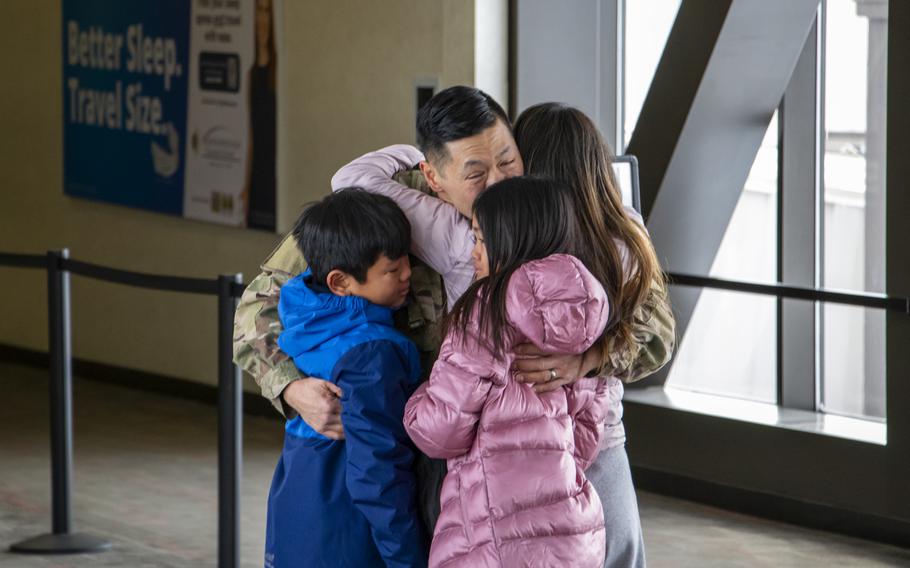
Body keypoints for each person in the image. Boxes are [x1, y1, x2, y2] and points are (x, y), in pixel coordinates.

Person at [233, 86, 675, 554]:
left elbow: (657, 329)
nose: (500, 183)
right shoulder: (384, 212)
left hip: (556, 438)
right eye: (476, 174)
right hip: (426, 446)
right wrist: (290, 388)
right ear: (434, 176)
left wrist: (586, 358)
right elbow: (254, 309)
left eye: (508, 161)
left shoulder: (547, 213)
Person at [404, 177, 612, 567]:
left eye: (481, 239)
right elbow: (585, 437)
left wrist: (418, 397)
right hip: (572, 529)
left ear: (511, 240)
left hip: (491, 531)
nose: (474, 253)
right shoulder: (584, 319)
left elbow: (441, 432)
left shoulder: (486, 311)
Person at [264, 189, 426, 568]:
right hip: (344, 531)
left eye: (407, 259)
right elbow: (377, 474)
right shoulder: (372, 355)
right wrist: (408, 560)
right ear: (341, 282)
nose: (407, 274)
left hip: (296, 504)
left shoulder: (306, 317)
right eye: (391, 269)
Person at [245, 0, 277, 230]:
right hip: (258, 167)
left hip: (273, 166)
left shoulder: (279, 74)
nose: (262, 19)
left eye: (266, 11)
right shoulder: (252, 74)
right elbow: (250, 135)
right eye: (258, 12)